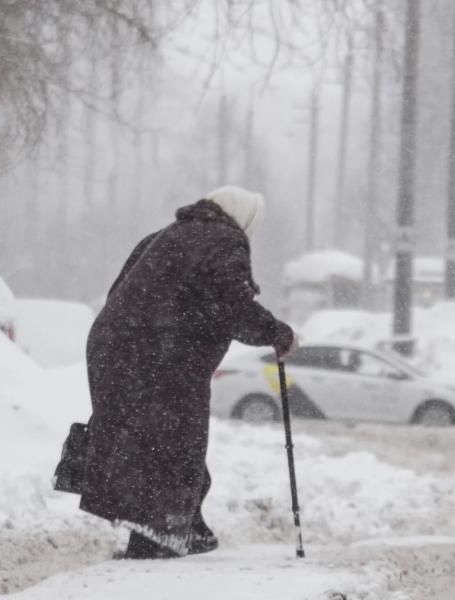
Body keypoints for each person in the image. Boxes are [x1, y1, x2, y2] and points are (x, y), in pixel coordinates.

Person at [79, 186, 297, 559]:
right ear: (244, 219)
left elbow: (122, 291)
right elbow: (232, 305)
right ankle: (158, 538)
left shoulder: (165, 236)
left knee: (146, 443)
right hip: (161, 359)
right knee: (174, 445)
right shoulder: (225, 239)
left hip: (114, 350)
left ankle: (184, 529)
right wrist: (277, 333)